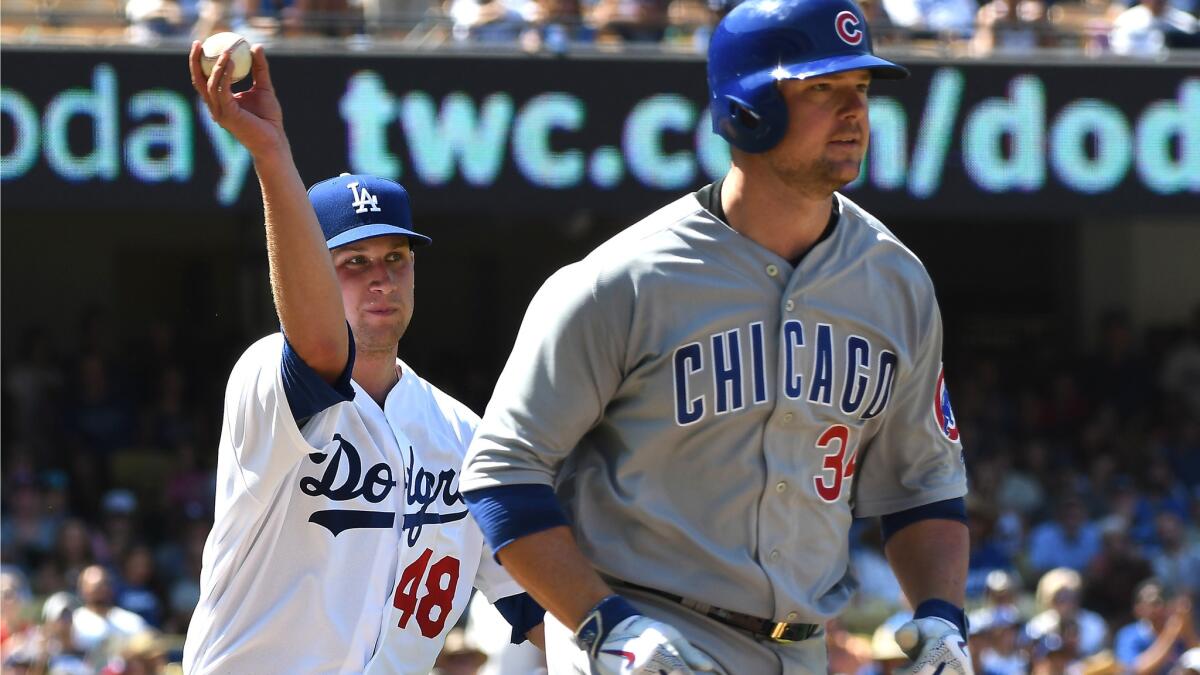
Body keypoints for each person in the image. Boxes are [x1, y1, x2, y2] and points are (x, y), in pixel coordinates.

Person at [459, 0, 972, 672]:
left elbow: (923, 482)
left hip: (801, 644)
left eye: (862, 88)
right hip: (644, 634)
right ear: (747, 109)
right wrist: (603, 623)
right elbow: (501, 473)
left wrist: (941, 615)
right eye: (823, 88)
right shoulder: (624, 280)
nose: (854, 111)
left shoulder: (896, 282)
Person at [182, 41, 542, 674]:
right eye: (353, 264)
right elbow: (323, 348)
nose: (382, 279)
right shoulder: (267, 379)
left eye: (396, 259)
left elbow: (535, 610)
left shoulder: (463, 435)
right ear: (314, 273)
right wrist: (271, 155)